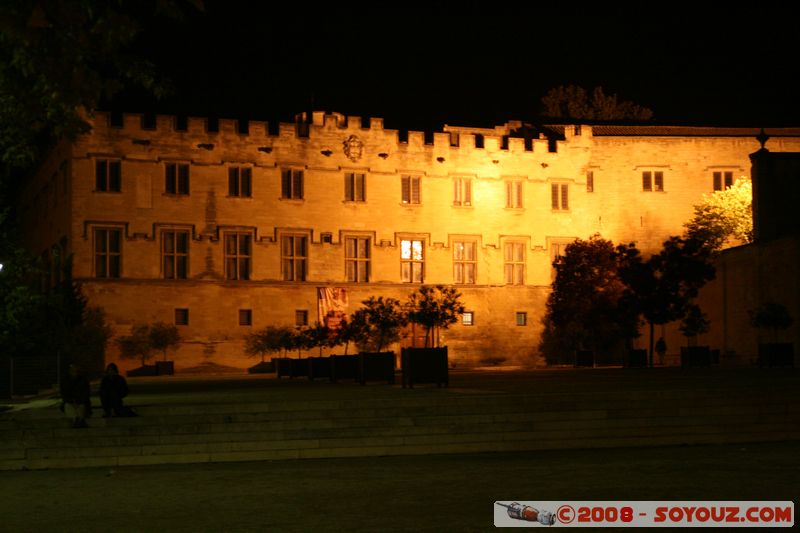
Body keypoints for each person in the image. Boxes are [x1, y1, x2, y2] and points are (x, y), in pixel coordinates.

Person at [60, 364, 92, 428]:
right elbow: (64, 394)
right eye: (73, 371)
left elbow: (86, 393)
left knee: (81, 406)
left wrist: (78, 401)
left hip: (81, 402)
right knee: (68, 406)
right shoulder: (66, 381)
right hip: (70, 402)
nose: (75, 373)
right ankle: (77, 420)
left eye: (76, 371)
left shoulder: (83, 380)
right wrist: (72, 401)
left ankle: (78, 420)